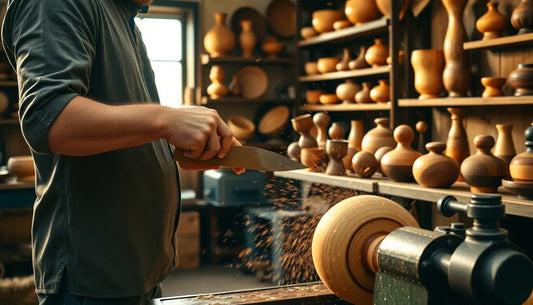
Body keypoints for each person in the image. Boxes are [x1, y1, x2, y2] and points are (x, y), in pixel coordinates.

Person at [1, 0, 243, 304]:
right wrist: (168, 119)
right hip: (92, 279)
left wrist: (175, 146)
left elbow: (125, 124)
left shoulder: (122, 15)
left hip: (134, 269)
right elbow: (48, 118)